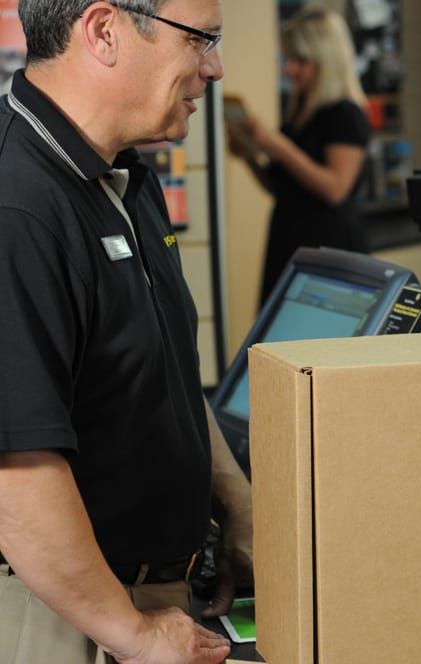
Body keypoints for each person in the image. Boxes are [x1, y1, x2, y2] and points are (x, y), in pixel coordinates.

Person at [0, 1, 252, 663]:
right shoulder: (17, 207)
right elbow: (16, 473)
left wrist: (234, 500)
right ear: (105, 31)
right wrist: (132, 634)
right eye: (200, 40)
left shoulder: (123, 175)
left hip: (146, 602)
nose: (214, 68)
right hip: (65, 613)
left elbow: (156, 364)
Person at [228, 6, 371, 308]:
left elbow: (335, 189)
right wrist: (250, 157)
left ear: (326, 61)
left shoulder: (345, 114)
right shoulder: (298, 114)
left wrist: (279, 147)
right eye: (288, 59)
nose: (289, 69)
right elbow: (281, 189)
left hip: (329, 252)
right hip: (289, 245)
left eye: (300, 61)